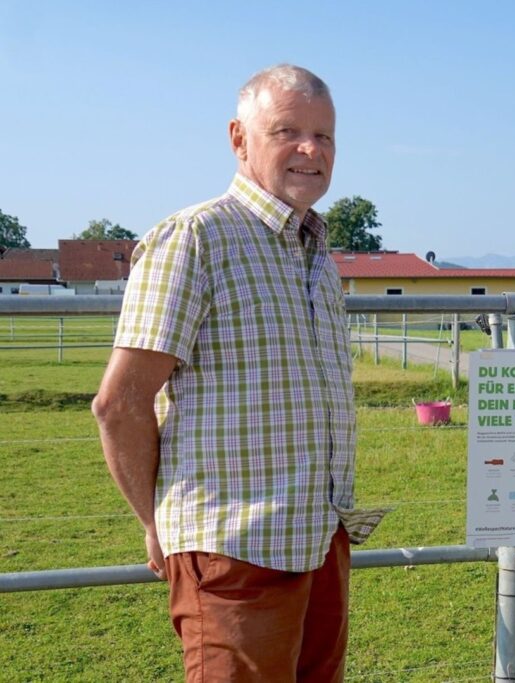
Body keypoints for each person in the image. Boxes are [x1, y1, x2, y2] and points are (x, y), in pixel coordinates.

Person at [92, 64, 384, 682]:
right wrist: (157, 523)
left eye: (324, 136)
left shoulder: (315, 255)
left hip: (319, 538)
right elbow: (120, 403)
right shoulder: (195, 238)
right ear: (238, 138)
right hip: (233, 547)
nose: (311, 150)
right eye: (287, 132)